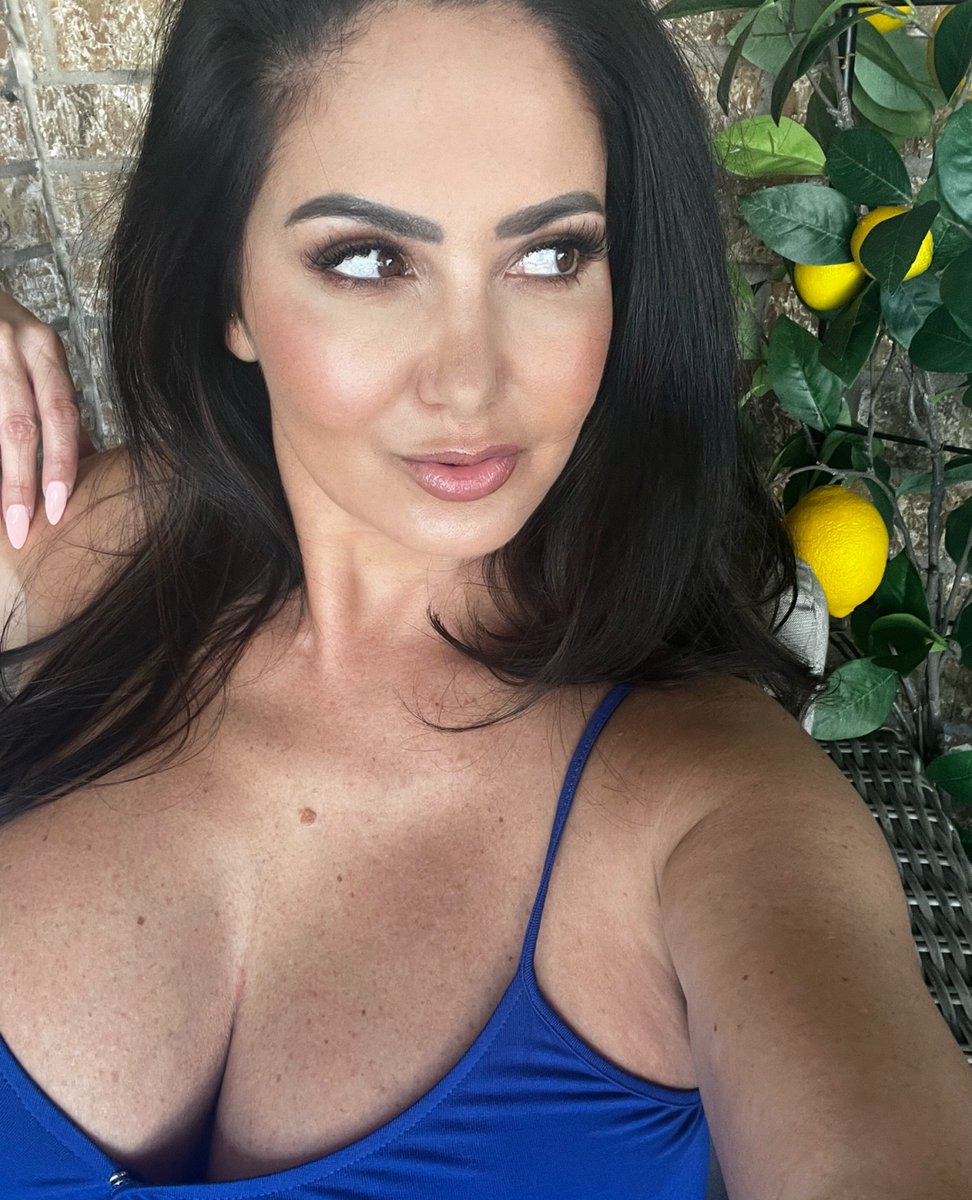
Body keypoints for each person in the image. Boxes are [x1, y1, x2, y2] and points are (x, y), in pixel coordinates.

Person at [0, 0, 970, 1196]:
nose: (470, 381)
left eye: (551, 256)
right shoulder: (80, 545)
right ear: (227, 290)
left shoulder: (714, 809)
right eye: (369, 259)